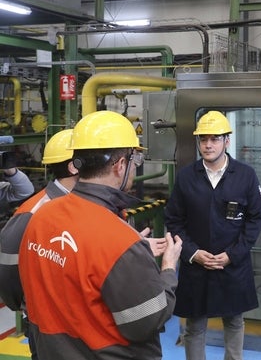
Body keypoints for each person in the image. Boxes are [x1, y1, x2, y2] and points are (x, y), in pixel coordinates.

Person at [18, 110, 182, 360]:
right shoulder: (120, 243)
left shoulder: (40, 217)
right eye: (134, 161)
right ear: (120, 165)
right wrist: (168, 268)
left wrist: (132, 260)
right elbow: (147, 321)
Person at [165, 110, 261, 360]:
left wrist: (232, 255)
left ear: (227, 141)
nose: (208, 145)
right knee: (195, 326)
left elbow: (255, 219)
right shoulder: (187, 177)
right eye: (203, 139)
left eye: (215, 139)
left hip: (232, 265)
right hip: (196, 265)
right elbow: (174, 221)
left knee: (234, 321)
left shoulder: (245, 176)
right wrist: (193, 253)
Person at [0, 129, 78, 359]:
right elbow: (9, 268)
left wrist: (10, 170)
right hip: (46, 321)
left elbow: (23, 190)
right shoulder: (35, 213)